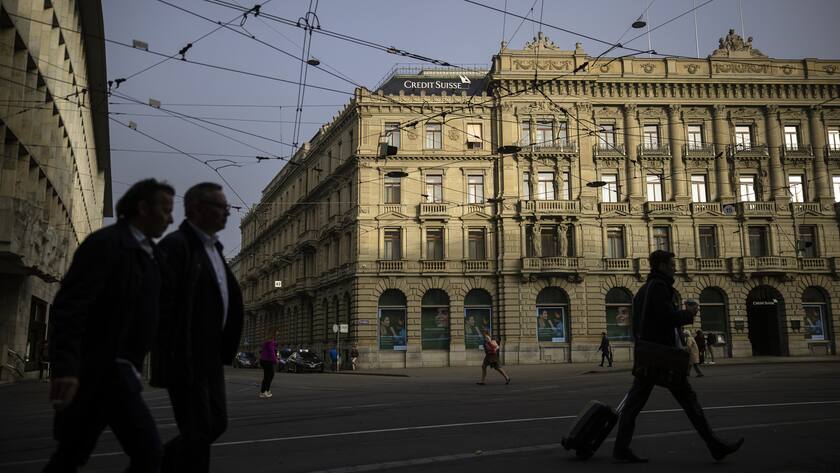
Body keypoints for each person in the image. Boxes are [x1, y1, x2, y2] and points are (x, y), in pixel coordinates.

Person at [44, 178, 174, 472]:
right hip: (100, 371)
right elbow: (70, 307)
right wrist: (65, 369)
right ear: (143, 208)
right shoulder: (106, 244)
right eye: (165, 210)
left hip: (117, 371)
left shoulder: (149, 254)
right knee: (149, 453)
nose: (171, 218)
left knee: (71, 456)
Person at [613, 250, 743, 463]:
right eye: (671, 264)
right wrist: (689, 314)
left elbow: (641, 323)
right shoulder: (660, 287)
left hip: (650, 354)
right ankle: (715, 445)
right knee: (689, 401)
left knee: (634, 405)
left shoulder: (644, 290)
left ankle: (620, 448)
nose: (675, 267)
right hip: (663, 358)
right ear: (662, 265)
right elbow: (667, 318)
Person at [151, 182, 244, 473]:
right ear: (195, 209)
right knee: (199, 431)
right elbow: (159, 305)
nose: (226, 214)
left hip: (211, 357)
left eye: (227, 208)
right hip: (185, 356)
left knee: (215, 424)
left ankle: (151, 465)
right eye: (220, 207)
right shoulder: (176, 246)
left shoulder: (214, 249)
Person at [259, 331, 277, 398]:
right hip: (267, 361)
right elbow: (271, 352)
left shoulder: (267, 341)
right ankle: (265, 391)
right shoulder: (270, 342)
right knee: (269, 376)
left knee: (267, 376)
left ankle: (263, 392)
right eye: (276, 334)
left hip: (264, 360)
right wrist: (275, 360)